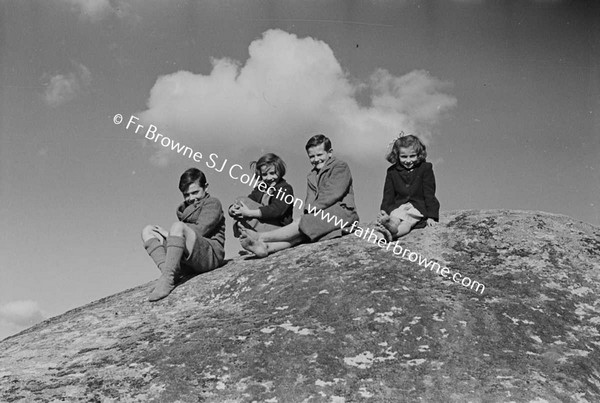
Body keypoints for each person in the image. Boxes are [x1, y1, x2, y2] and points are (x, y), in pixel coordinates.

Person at [240, 134, 359, 257]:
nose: (316, 159)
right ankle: (266, 247)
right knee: (301, 236)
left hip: (342, 213)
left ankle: (261, 237)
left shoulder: (339, 166)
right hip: (322, 214)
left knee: (303, 223)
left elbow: (333, 193)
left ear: (329, 153)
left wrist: (311, 211)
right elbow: (309, 198)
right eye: (312, 156)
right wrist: (309, 211)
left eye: (319, 155)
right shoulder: (311, 175)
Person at [141, 168, 225, 301]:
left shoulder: (213, 203)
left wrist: (169, 234)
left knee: (178, 227)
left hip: (210, 255)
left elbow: (201, 230)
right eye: (186, 195)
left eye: (195, 192)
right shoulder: (184, 209)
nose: (191, 198)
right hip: (192, 258)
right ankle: (169, 273)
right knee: (148, 230)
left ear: (206, 187)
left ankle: (167, 278)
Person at [376, 133, 440, 240]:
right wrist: (384, 211)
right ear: (397, 156)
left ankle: (391, 235)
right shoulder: (392, 172)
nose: (408, 160)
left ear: (419, 154)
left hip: (417, 207)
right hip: (399, 205)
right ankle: (386, 229)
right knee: (394, 218)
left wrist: (431, 216)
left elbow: (429, 193)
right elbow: (388, 194)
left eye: (412, 156)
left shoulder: (425, 168)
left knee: (406, 223)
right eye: (404, 157)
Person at [228, 153, 294, 239]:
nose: (269, 178)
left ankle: (248, 234)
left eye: (272, 173)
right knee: (240, 201)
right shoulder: (261, 188)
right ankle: (243, 233)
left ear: (280, 171)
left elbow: (276, 210)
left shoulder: (285, 188)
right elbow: (249, 200)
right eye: (265, 175)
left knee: (242, 202)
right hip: (264, 224)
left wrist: (249, 213)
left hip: (279, 228)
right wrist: (232, 209)